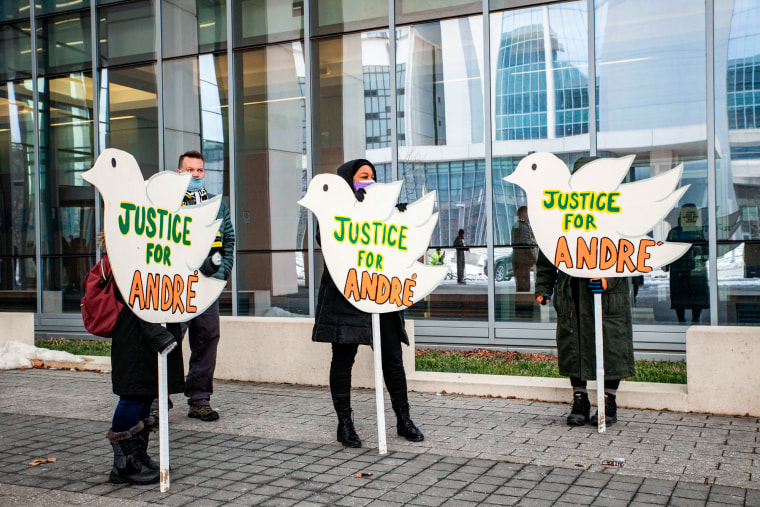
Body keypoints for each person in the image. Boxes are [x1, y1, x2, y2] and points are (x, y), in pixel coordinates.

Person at [312, 158, 424, 448]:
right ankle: (344, 423)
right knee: (343, 358)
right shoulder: (334, 210)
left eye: (373, 176)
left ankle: (404, 419)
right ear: (349, 181)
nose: (370, 180)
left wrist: (398, 216)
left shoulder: (382, 210)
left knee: (392, 358)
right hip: (346, 296)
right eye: (363, 176)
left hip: (381, 293)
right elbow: (324, 238)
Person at [534, 156, 635, 427]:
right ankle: (580, 399)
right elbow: (548, 254)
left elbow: (629, 253)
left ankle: (608, 401)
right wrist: (544, 287)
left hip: (605, 293)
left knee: (611, 345)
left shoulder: (616, 213)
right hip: (573, 293)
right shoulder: (560, 215)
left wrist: (608, 279)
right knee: (574, 345)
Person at [103, 232, 185, 484]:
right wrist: (157, 333)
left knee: (145, 395)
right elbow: (132, 298)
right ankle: (124, 465)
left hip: (149, 338)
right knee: (132, 397)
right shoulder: (125, 258)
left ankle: (137, 456)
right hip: (135, 339)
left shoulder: (145, 255)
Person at [167, 150, 235, 422]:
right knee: (169, 342)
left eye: (200, 170)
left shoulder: (217, 205)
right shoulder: (168, 203)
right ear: (178, 172)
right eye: (189, 170)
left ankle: (199, 399)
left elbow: (229, 240)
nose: (195, 174)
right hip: (177, 286)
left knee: (207, 338)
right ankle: (157, 400)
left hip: (208, 288)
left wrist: (222, 271)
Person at [665, 204, 708, 323]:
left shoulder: (697, 231)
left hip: (692, 269)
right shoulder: (677, 232)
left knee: (695, 295)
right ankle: (683, 320)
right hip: (680, 269)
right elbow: (668, 250)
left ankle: (694, 319)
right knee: (681, 296)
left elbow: (705, 252)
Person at [511, 206, 537, 292]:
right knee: (524, 288)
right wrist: (533, 259)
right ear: (524, 215)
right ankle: (524, 305)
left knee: (520, 287)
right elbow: (525, 246)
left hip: (518, 261)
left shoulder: (516, 226)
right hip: (523, 262)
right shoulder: (523, 227)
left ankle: (520, 304)